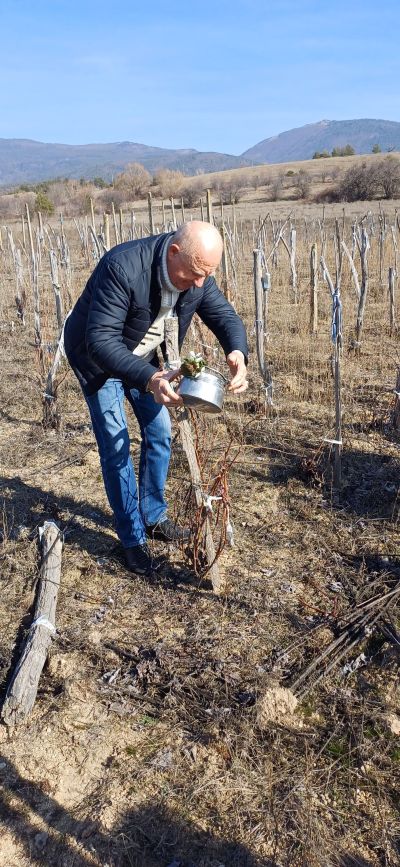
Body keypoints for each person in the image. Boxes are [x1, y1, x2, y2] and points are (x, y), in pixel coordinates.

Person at [64, 220, 248, 575]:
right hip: (97, 361)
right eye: (195, 273)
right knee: (116, 446)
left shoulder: (195, 273)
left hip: (144, 360)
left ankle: (152, 515)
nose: (199, 283)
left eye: (206, 274)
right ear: (174, 253)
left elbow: (225, 316)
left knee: (160, 433)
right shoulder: (123, 267)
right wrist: (150, 377)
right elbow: (100, 340)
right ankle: (132, 540)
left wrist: (237, 352)